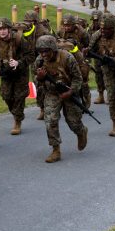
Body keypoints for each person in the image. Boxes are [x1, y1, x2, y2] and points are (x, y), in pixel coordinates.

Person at [34, 35, 88, 163]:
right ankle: (55, 149)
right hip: (51, 92)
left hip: (69, 91)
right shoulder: (39, 61)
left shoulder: (67, 58)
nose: (44, 54)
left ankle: (81, 131)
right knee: (50, 120)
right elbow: (36, 81)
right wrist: (40, 78)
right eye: (41, 51)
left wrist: (70, 92)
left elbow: (78, 78)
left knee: (73, 122)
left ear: (53, 49)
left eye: (46, 51)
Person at [0, 18, 35, 135]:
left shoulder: (19, 39)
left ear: (9, 29)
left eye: (4, 29)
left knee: (19, 96)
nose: (2, 31)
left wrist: (18, 63)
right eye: (0, 29)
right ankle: (18, 114)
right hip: (6, 71)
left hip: (20, 72)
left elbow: (31, 55)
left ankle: (17, 121)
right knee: (6, 95)